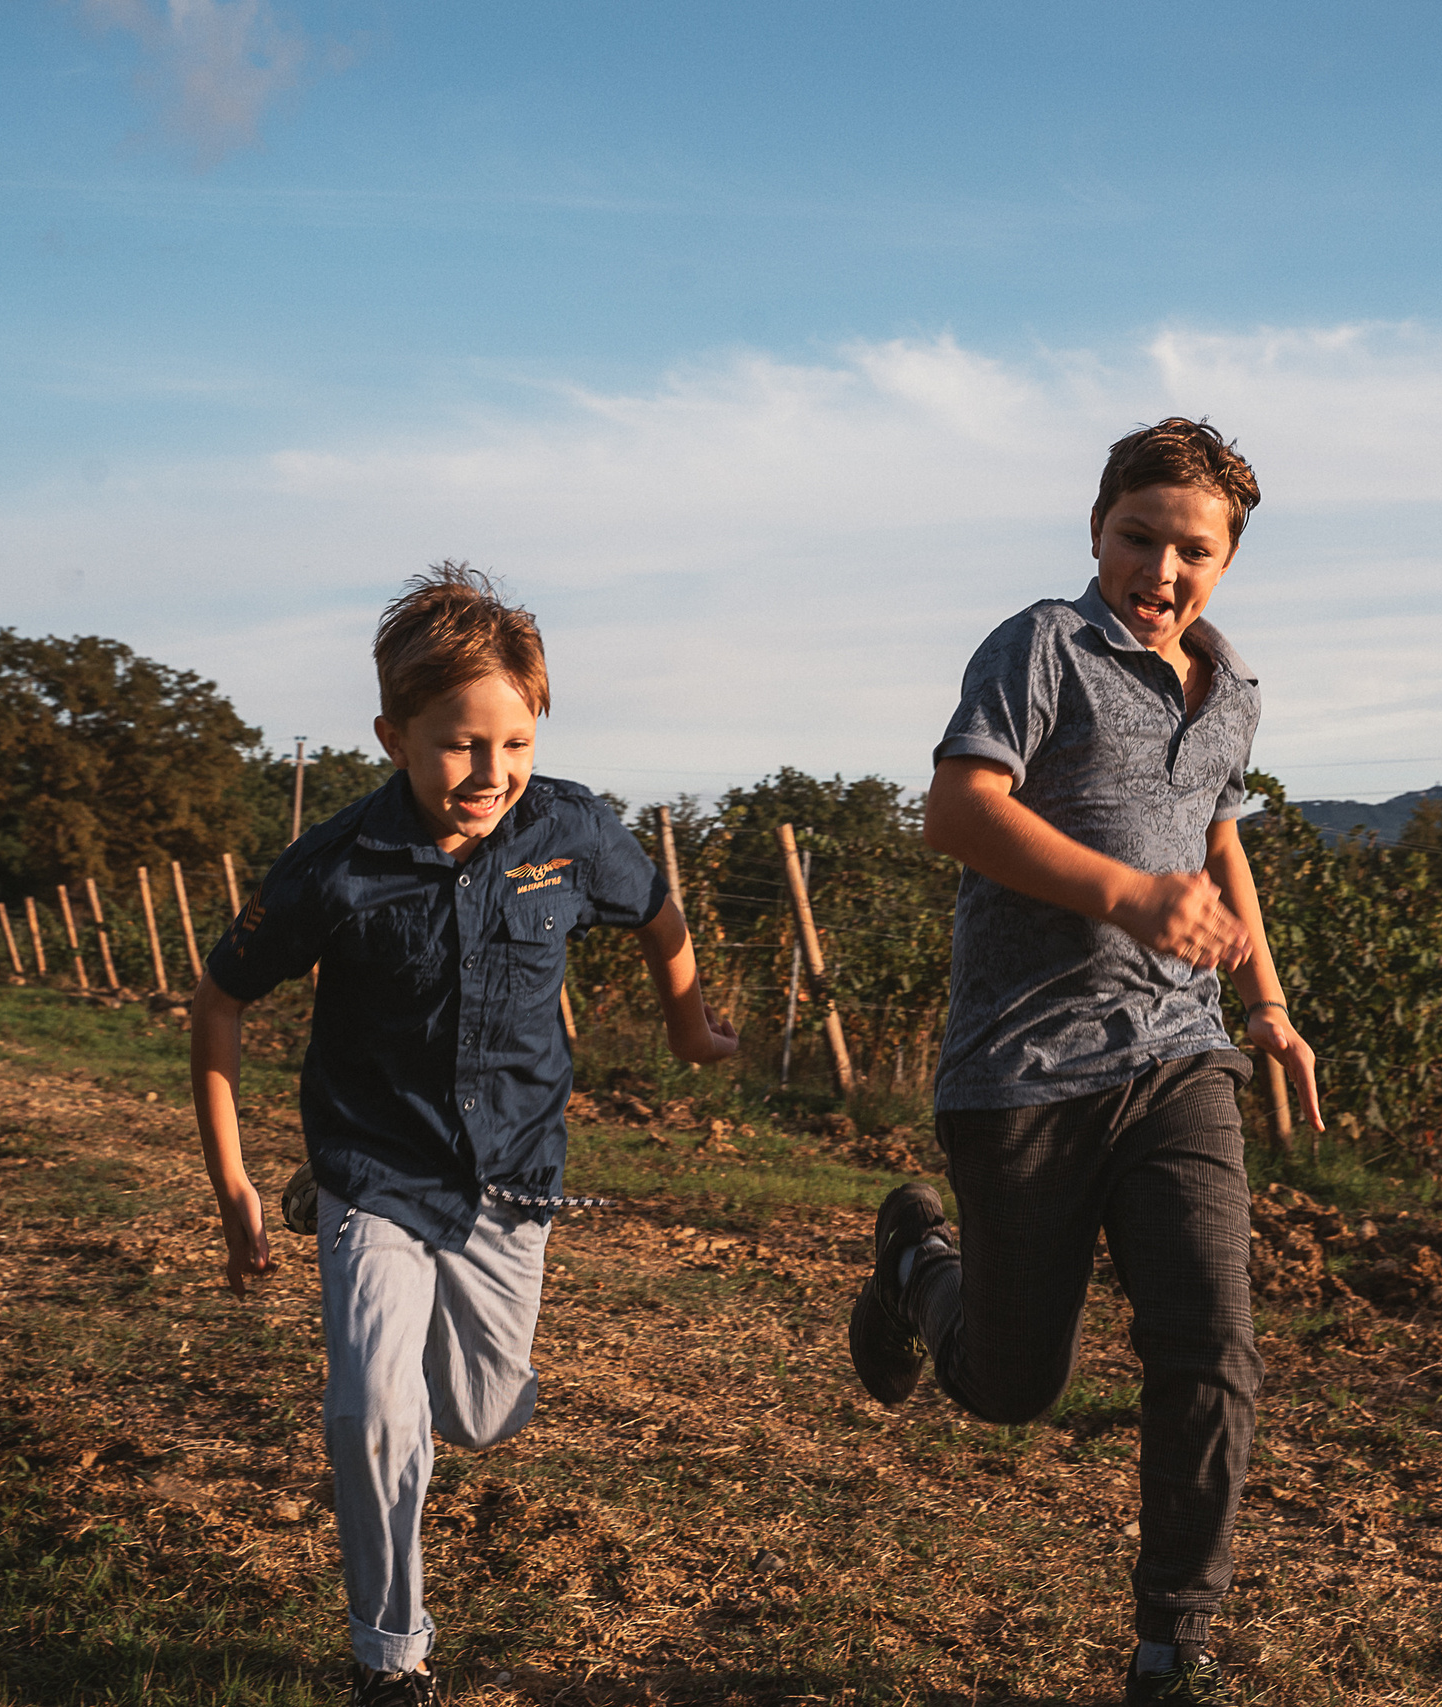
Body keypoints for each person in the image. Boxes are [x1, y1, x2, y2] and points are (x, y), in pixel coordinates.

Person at [188, 563, 739, 1707]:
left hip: (513, 1176)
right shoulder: (336, 867)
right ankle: (390, 1660)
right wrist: (232, 1184)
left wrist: (690, 1032)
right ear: (393, 737)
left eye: (515, 743)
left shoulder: (572, 830)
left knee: (481, 1414)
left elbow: (658, 915)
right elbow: (220, 1000)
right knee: (372, 1412)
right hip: (373, 1166)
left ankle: (424, 1376)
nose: (490, 773)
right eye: (459, 745)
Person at [847, 419, 1325, 1705]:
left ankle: (1173, 1648)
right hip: (1021, 1068)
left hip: (1179, 1054)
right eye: (1137, 537)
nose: (1161, 570)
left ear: (1228, 560)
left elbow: (1217, 837)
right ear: (1096, 529)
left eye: (1193, 550)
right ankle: (916, 1265)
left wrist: (1266, 1001)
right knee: (1012, 1385)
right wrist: (1127, 895)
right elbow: (957, 810)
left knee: (1209, 1344)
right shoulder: (1040, 648)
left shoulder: (1232, 690)